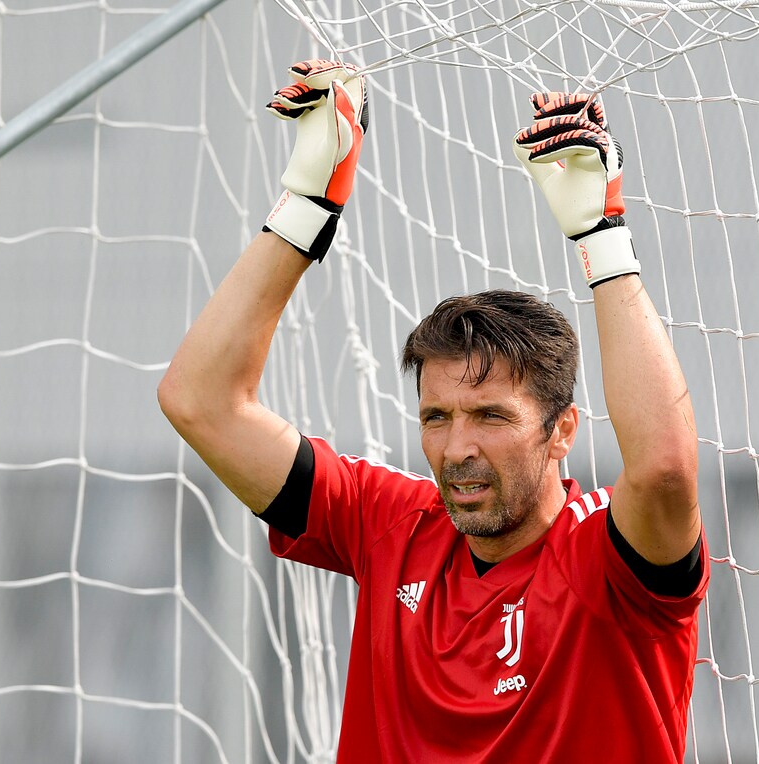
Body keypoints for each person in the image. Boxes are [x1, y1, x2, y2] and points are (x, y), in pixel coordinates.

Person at [158, 59, 707, 762]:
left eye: (491, 416)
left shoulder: (607, 559)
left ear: (562, 430)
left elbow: (663, 470)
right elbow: (200, 401)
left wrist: (602, 238)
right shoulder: (392, 526)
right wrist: (307, 202)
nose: (456, 449)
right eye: (436, 418)